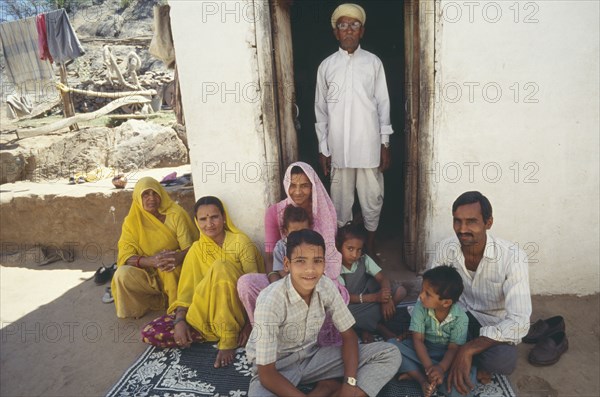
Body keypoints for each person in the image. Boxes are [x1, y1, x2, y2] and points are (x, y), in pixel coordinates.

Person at [245, 229, 401, 397]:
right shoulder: (271, 301)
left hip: (313, 357)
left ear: (324, 264)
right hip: (277, 367)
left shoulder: (326, 286)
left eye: (317, 261)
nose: (310, 270)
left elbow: (349, 335)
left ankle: (335, 390)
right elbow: (267, 374)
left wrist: (350, 383)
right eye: (300, 261)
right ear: (287, 264)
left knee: (389, 354)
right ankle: (325, 388)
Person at [141, 196, 264, 369]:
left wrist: (249, 325)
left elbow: (253, 287)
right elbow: (187, 293)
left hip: (239, 311)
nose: (209, 224)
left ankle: (228, 339)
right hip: (207, 314)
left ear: (223, 217)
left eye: (214, 217)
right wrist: (180, 321)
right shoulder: (196, 250)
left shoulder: (241, 243)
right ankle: (211, 331)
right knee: (150, 332)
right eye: (203, 219)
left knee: (222, 267)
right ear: (196, 222)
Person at [429, 191, 532, 396]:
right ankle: (464, 359)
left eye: (471, 222)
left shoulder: (513, 258)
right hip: (454, 316)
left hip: (489, 325)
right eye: (457, 221)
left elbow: (520, 321)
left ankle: (460, 354)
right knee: (404, 317)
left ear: (489, 222)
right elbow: (432, 291)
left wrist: (470, 348)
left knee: (503, 360)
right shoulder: (445, 248)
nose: (463, 229)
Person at [237, 162, 349, 345]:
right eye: (293, 185)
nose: (298, 191)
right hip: (284, 276)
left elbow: (327, 257)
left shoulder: (324, 212)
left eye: (305, 185)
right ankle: (267, 335)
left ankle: (317, 343)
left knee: (335, 294)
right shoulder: (275, 212)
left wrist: (307, 285)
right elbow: (270, 257)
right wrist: (279, 286)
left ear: (313, 186)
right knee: (246, 283)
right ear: (286, 184)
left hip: (317, 276)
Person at [315, 3, 393, 255]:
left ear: (362, 31)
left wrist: (384, 143)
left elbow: (383, 103)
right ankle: (344, 250)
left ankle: (369, 244)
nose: (348, 30)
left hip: (369, 145)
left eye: (354, 25)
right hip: (338, 149)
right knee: (340, 201)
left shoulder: (373, 63)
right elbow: (321, 110)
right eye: (343, 25)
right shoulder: (326, 66)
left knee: (372, 198)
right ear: (335, 32)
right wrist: (323, 148)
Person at [112, 177, 198, 319]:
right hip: (147, 273)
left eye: (155, 193)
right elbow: (126, 256)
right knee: (121, 274)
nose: (151, 198)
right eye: (145, 194)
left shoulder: (175, 214)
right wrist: (152, 261)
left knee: (169, 266)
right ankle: (148, 303)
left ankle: (177, 309)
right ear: (138, 198)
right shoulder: (131, 222)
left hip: (175, 269)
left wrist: (177, 257)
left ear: (161, 194)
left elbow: (191, 248)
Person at [389, 266, 474, 397]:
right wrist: (429, 368)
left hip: (446, 355)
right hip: (423, 350)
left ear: (446, 303)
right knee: (391, 347)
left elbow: (453, 349)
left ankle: (418, 373)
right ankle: (422, 380)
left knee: (463, 383)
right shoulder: (420, 307)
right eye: (422, 290)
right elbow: (418, 340)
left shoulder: (461, 318)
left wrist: (441, 368)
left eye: (427, 294)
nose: (421, 296)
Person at [336, 224, 407, 342]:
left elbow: (382, 278)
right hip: (353, 304)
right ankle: (378, 326)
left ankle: (368, 326)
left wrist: (386, 298)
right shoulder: (336, 269)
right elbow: (346, 297)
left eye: (358, 250)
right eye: (350, 249)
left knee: (400, 291)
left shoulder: (364, 259)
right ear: (339, 247)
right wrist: (375, 298)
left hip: (370, 298)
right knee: (343, 316)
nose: (355, 255)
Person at [269, 204, 311, 283]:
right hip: (289, 281)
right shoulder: (280, 247)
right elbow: (281, 269)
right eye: (295, 232)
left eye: (304, 231)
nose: (300, 235)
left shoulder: (312, 245)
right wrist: (293, 282)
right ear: (286, 231)